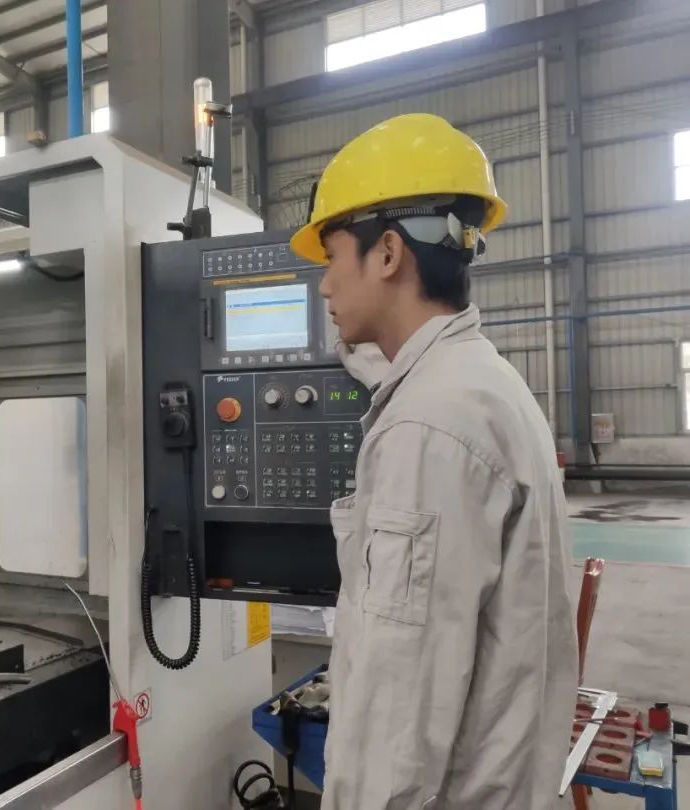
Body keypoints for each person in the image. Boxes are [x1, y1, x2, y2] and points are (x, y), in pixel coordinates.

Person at [290, 113, 578, 810]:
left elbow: (396, 720)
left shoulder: (427, 427)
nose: (324, 286)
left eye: (332, 257)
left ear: (388, 253)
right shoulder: (478, 386)